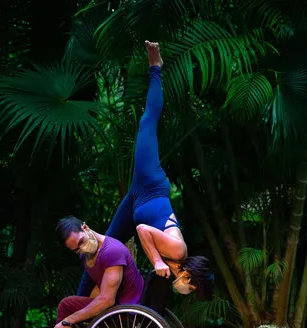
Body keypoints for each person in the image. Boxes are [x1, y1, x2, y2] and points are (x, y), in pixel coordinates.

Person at [76, 40, 215, 302]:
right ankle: (155, 67)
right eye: (192, 289)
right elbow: (142, 230)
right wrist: (156, 261)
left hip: (135, 200)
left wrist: (158, 266)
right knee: (147, 122)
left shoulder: (169, 264)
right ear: (190, 278)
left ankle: (78, 316)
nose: (188, 291)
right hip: (150, 183)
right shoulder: (178, 251)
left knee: (97, 250)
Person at [27, 216, 145, 328]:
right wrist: (84, 313)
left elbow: (106, 299)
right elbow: (99, 288)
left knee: (68, 308)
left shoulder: (112, 251)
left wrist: (70, 320)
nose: (81, 249)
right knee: (70, 305)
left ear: (85, 227)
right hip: (114, 304)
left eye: (81, 242)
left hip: (124, 311)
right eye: (76, 249)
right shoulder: (87, 254)